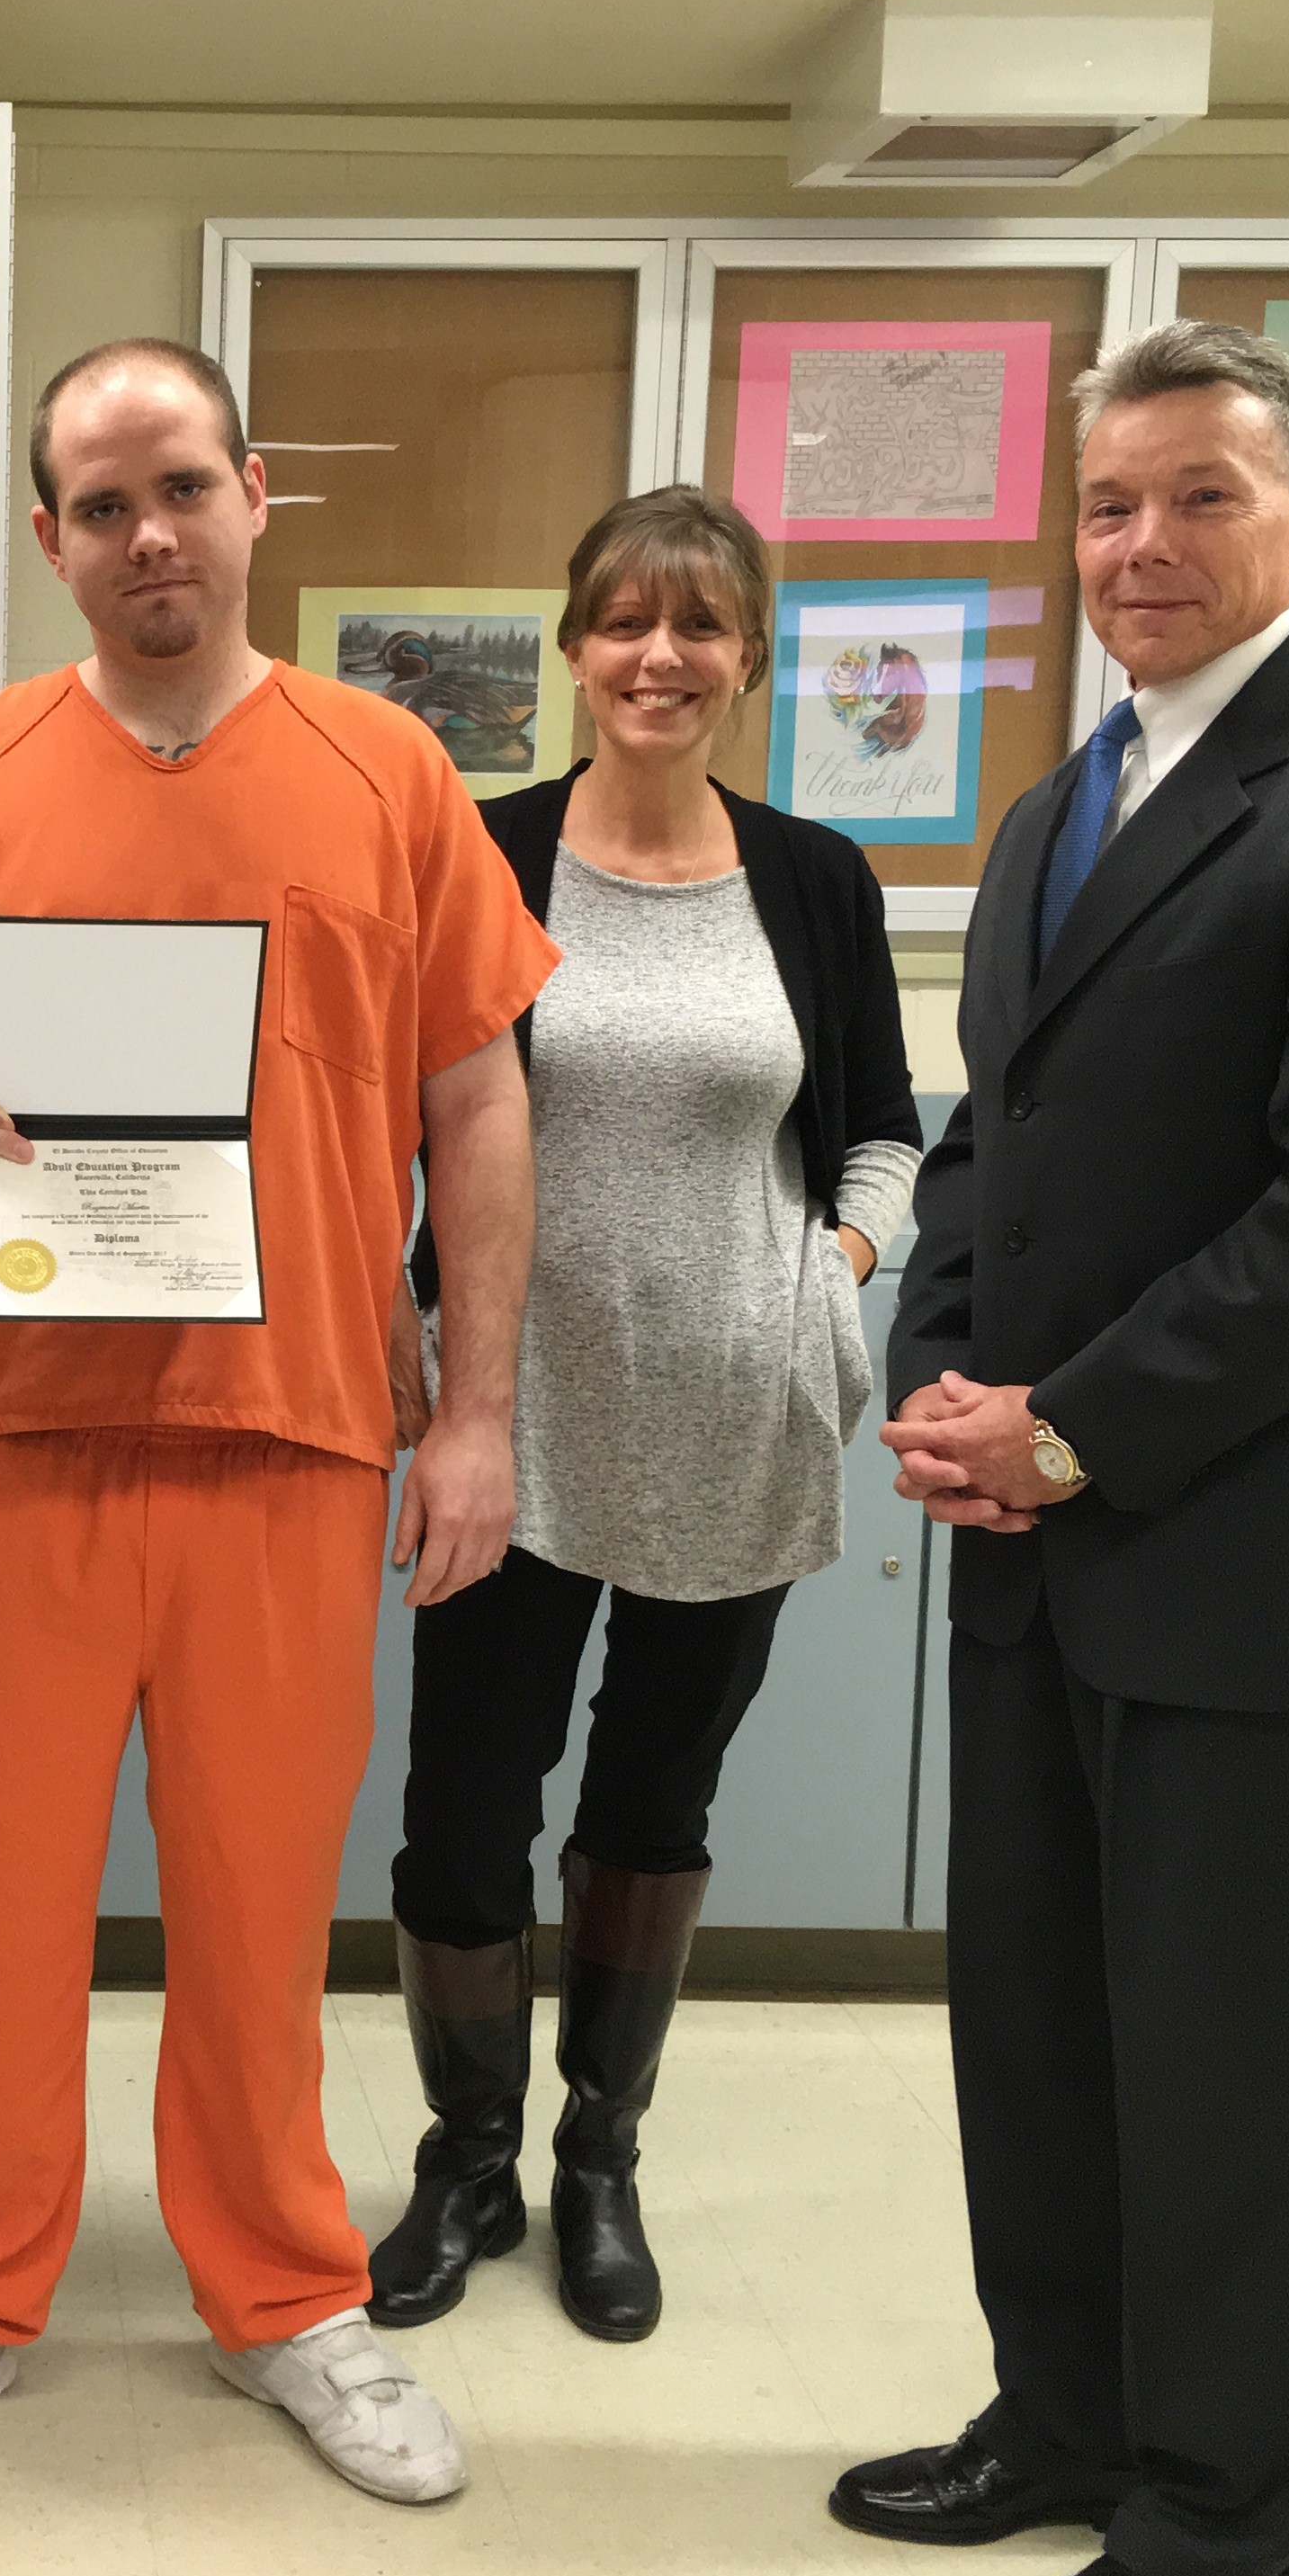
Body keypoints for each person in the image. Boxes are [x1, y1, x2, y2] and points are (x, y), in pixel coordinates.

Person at [0, 338, 555, 2510]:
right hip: (9, 1437)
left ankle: (287, 2292)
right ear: (50, 539)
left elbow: (479, 1092)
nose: (149, 536)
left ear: (254, 497)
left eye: (182, 489)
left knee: (253, 1908)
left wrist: (473, 1415)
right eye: (101, 506)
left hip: (293, 1436)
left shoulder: (389, 773)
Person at [833, 321, 1289, 2576]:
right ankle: (1068, 2419)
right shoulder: (1066, 805)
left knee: (1241, 2073)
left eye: (1199, 498)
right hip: (1039, 1539)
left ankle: (1232, 2531)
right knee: (1043, 2025)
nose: (1143, 545)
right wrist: (940, 1376)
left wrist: (1072, 1426)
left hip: (1244, 1557)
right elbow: (999, 1153)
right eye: (1109, 506)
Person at [370, 485, 919, 2344]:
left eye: (697, 627)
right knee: (463, 1809)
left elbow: (884, 1133)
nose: (657, 658)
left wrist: (834, 1276)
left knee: (653, 1806)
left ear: (748, 660)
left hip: (734, 1415)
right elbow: (389, 1124)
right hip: (511, 1423)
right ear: (574, 648)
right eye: (622, 622)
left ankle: (600, 2160)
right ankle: (468, 2161)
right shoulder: (480, 851)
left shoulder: (816, 883)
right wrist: (407, 1346)